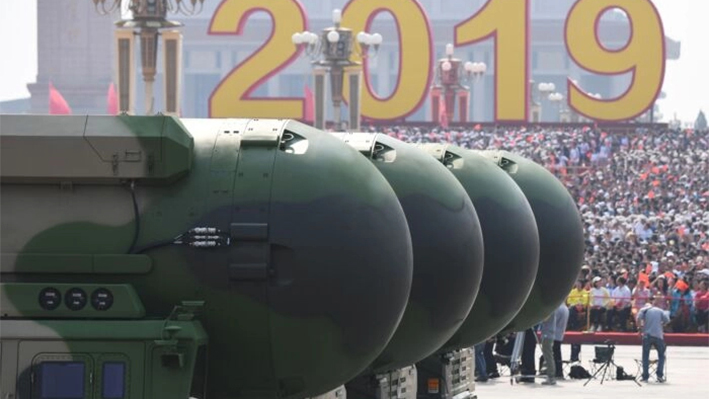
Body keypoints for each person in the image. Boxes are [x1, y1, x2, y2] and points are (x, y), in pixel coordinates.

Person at [637, 296, 670, 382]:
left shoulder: (644, 310)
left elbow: (638, 319)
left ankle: (645, 376)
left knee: (645, 356)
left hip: (647, 335)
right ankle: (659, 375)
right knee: (661, 356)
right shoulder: (660, 310)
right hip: (658, 336)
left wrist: (640, 329)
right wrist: (661, 325)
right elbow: (667, 320)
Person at [540, 310, 557, 385]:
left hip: (547, 334)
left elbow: (545, 319)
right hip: (548, 334)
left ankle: (551, 376)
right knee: (548, 355)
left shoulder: (550, 309)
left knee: (548, 355)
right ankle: (550, 376)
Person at [553, 303, 569, 379]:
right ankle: (559, 371)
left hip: (554, 333)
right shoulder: (565, 308)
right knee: (557, 354)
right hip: (560, 333)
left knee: (555, 355)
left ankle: (556, 371)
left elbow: (553, 321)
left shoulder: (558, 309)